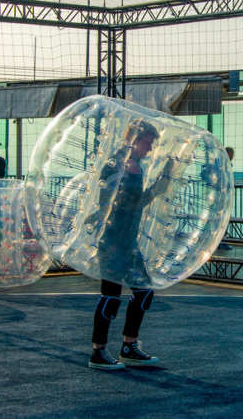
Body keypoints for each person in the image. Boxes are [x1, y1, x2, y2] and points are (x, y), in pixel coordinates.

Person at [88, 121, 167, 370]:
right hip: (113, 240)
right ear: (134, 140)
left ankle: (128, 346)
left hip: (126, 241)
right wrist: (158, 187)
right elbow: (126, 205)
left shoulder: (130, 164)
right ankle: (98, 352)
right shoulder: (123, 166)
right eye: (147, 143)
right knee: (111, 295)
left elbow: (130, 204)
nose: (150, 149)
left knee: (143, 291)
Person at [218, 147, 236, 251]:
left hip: (223, 195)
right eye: (232, 153)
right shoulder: (222, 165)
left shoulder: (224, 164)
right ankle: (220, 241)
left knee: (222, 218)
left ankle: (220, 241)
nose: (233, 156)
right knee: (222, 218)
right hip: (222, 195)